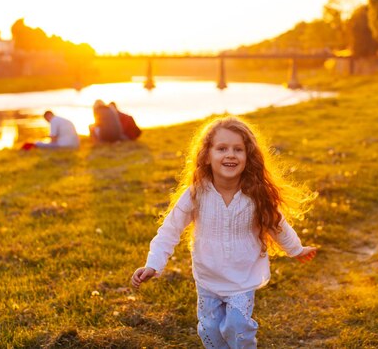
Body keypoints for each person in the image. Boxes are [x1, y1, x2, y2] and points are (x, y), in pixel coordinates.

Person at [131, 116, 317, 348]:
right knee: (210, 330)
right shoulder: (195, 194)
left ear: (248, 157)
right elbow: (169, 230)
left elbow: (277, 225)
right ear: (207, 156)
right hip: (208, 277)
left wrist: (296, 249)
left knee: (237, 327)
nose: (230, 155)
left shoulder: (257, 194)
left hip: (242, 277)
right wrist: (153, 265)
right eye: (222, 148)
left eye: (238, 149)